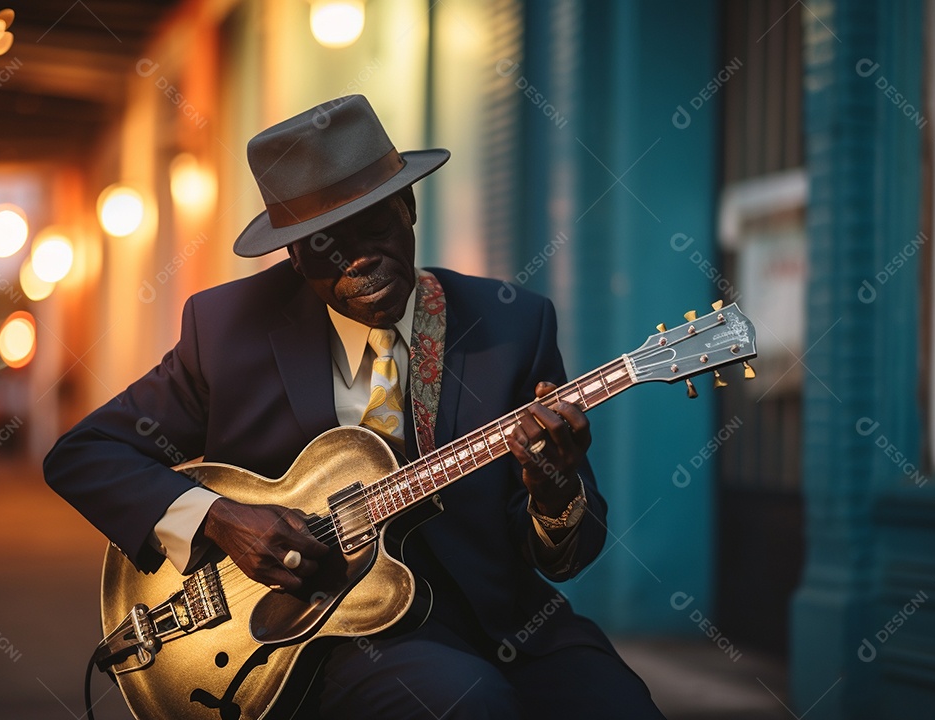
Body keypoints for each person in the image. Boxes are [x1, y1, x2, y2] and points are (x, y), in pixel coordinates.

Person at [44, 95, 664, 719]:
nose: (360, 259)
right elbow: (84, 455)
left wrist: (552, 487)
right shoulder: (230, 330)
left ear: (409, 208)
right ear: (290, 254)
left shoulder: (513, 324)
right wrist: (218, 519)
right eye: (323, 245)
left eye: (375, 228)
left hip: (506, 622)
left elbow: (569, 555)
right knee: (471, 706)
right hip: (340, 634)